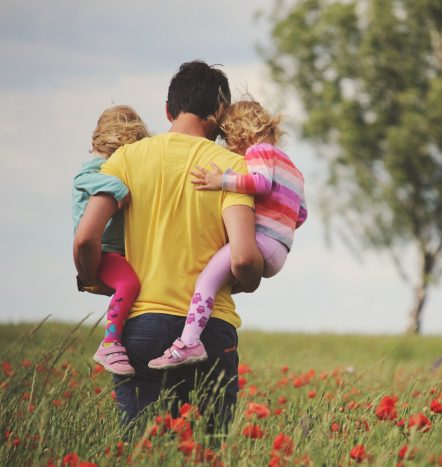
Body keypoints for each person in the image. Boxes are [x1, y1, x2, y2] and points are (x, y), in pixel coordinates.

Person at [73, 60, 263, 432]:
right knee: (206, 452)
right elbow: (242, 258)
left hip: (140, 326)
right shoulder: (232, 168)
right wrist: (252, 276)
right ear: (220, 114)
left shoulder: (126, 159)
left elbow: (85, 238)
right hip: (209, 331)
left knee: (142, 450)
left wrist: (92, 277)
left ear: (167, 109)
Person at [148, 98, 308, 369]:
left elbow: (260, 183)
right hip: (280, 249)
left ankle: (188, 343)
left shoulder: (259, 152)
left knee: (206, 281)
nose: (228, 146)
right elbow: (301, 214)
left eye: (227, 138)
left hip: (261, 242)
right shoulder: (293, 168)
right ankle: (197, 329)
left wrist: (220, 180)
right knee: (220, 281)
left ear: (240, 132)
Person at [72, 105, 148, 376]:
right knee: (129, 284)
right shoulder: (97, 168)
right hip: (103, 251)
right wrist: (117, 187)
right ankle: (110, 342)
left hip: (116, 251)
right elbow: (82, 179)